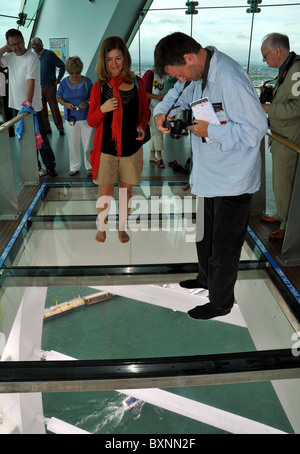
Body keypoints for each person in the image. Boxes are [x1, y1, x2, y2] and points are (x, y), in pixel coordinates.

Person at [153, 32, 268, 320]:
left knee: (224, 248)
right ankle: (205, 279)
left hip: (233, 180)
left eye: (180, 73)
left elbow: (255, 131)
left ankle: (220, 302)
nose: (180, 79)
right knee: (205, 238)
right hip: (209, 175)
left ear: (189, 58)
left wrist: (211, 131)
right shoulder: (198, 74)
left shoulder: (230, 79)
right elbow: (176, 96)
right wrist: (161, 113)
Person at [87, 36, 150, 244]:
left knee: (126, 192)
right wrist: (103, 109)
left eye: (118, 58)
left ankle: (121, 227)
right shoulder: (99, 87)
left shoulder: (138, 84)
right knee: (105, 193)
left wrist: (141, 124)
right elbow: (90, 120)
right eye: (109, 59)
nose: (114, 64)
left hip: (131, 148)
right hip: (106, 149)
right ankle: (102, 226)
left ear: (126, 58)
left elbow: (144, 112)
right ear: (103, 62)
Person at [0, 28, 57, 177]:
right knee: (24, 139)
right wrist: (7, 48)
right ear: (8, 45)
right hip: (15, 106)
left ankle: (50, 164)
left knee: (41, 138)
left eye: (19, 43)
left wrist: (28, 103)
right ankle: (36, 166)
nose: (17, 47)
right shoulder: (10, 57)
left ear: (24, 41)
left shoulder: (31, 57)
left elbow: (30, 82)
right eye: (13, 44)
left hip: (32, 107)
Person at [260, 33, 300, 240]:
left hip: (290, 138)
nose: (264, 60)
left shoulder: (296, 70)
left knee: (284, 182)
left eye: (265, 56)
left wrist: (268, 108)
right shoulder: (288, 69)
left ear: (277, 51)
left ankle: (287, 225)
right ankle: (281, 215)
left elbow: (297, 106)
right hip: (282, 136)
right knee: (280, 183)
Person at [57, 56, 94, 176]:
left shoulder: (87, 82)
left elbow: (93, 98)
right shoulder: (63, 83)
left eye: (77, 72)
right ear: (68, 71)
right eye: (72, 73)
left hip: (86, 117)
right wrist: (65, 104)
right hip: (70, 118)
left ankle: (90, 166)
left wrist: (86, 102)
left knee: (88, 143)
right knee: (73, 144)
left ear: (81, 70)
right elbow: (58, 97)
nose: (75, 75)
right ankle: (74, 166)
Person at [31, 37, 65, 135]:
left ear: (40, 44)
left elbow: (62, 65)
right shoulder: (34, 56)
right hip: (38, 86)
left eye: (34, 45)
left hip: (50, 86)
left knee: (54, 107)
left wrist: (59, 79)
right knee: (42, 109)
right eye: (32, 45)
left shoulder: (49, 54)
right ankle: (47, 128)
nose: (32, 47)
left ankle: (60, 128)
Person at [142, 68, 167, 167]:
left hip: (158, 107)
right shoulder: (150, 74)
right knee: (158, 131)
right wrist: (158, 97)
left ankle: (152, 155)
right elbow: (143, 93)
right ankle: (160, 157)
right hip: (150, 106)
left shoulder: (164, 76)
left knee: (154, 132)